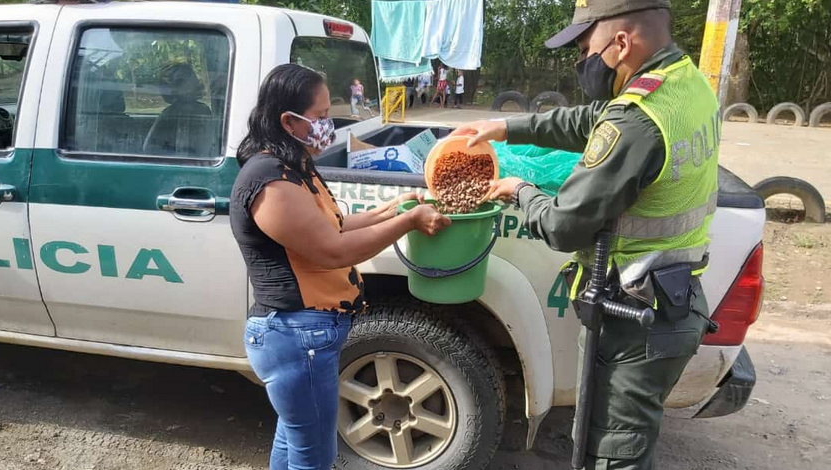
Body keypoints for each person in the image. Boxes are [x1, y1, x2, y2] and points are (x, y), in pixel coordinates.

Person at [454, 1, 718, 469]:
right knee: (622, 439)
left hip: (637, 319)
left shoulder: (636, 120)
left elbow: (563, 225)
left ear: (621, 43)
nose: (581, 63)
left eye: (584, 50)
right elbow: (592, 119)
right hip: (672, 298)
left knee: (614, 455)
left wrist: (521, 191)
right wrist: (506, 127)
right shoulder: (685, 82)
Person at [231, 64, 451, 470]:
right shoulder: (270, 181)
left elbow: (332, 225)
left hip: (306, 335)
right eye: (319, 116)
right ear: (288, 121)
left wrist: (391, 209)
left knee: (295, 439)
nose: (327, 125)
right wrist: (409, 222)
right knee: (314, 455)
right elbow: (333, 250)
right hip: (295, 336)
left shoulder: (294, 165)